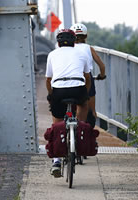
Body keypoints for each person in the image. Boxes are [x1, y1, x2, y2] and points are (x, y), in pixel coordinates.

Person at [45, 29, 91, 177]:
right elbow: (87, 77)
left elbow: (48, 80)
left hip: (58, 89)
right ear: (74, 42)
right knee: (84, 104)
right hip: (78, 88)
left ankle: (56, 161)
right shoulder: (82, 53)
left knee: (57, 121)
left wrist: (51, 95)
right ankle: (79, 128)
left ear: (58, 43)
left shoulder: (52, 54)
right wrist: (85, 93)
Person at [70, 23, 106, 123]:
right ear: (85, 36)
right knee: (91, 111)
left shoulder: (68, 48)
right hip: (86, 78)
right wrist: (102, 75)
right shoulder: (89, 48)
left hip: (70, 77)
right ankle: (88, 133)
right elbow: (102, 65)